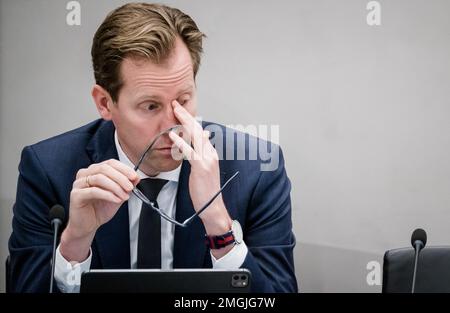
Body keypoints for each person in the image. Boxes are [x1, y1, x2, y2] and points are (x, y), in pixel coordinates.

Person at [8, 2, 297, 293]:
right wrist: (75, 243)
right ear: (105, 103)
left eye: (183, 100)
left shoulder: (255, 171)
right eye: (150, 106)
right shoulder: (47, 169)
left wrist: (219, 226)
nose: (172, 126)